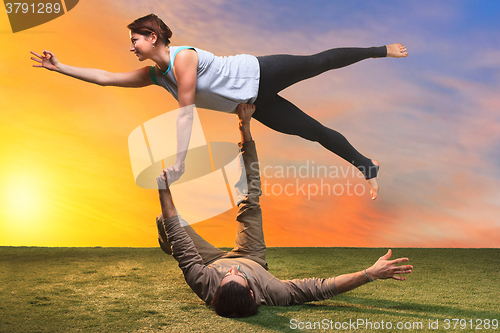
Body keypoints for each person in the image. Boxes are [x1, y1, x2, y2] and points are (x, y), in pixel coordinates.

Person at [31, 13, 409, 199]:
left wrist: (180, 162)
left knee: (318, 62)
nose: (131, 47)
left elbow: (185, 110)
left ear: (152, 36)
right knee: (312, 131)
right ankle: (367, 165)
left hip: (261, 71)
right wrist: (59, 66)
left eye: (135, 40)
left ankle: (381, 50)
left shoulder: (182, 60)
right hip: (253, 103)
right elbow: (104, 77)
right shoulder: (155, 75)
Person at [156, 103, 413, 318]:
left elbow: (180, 238)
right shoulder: (274, 292)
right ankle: (245, 130)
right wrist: (370, 274)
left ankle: (243, 129)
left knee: (166, 223)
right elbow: (321, 289)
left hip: (211, 261)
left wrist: (164, 188)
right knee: (250, 199)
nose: (233, 270)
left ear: (214, 293)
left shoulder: (203, 282)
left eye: (227, 276)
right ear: (253, 294)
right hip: (252, 255)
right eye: (238, 276)